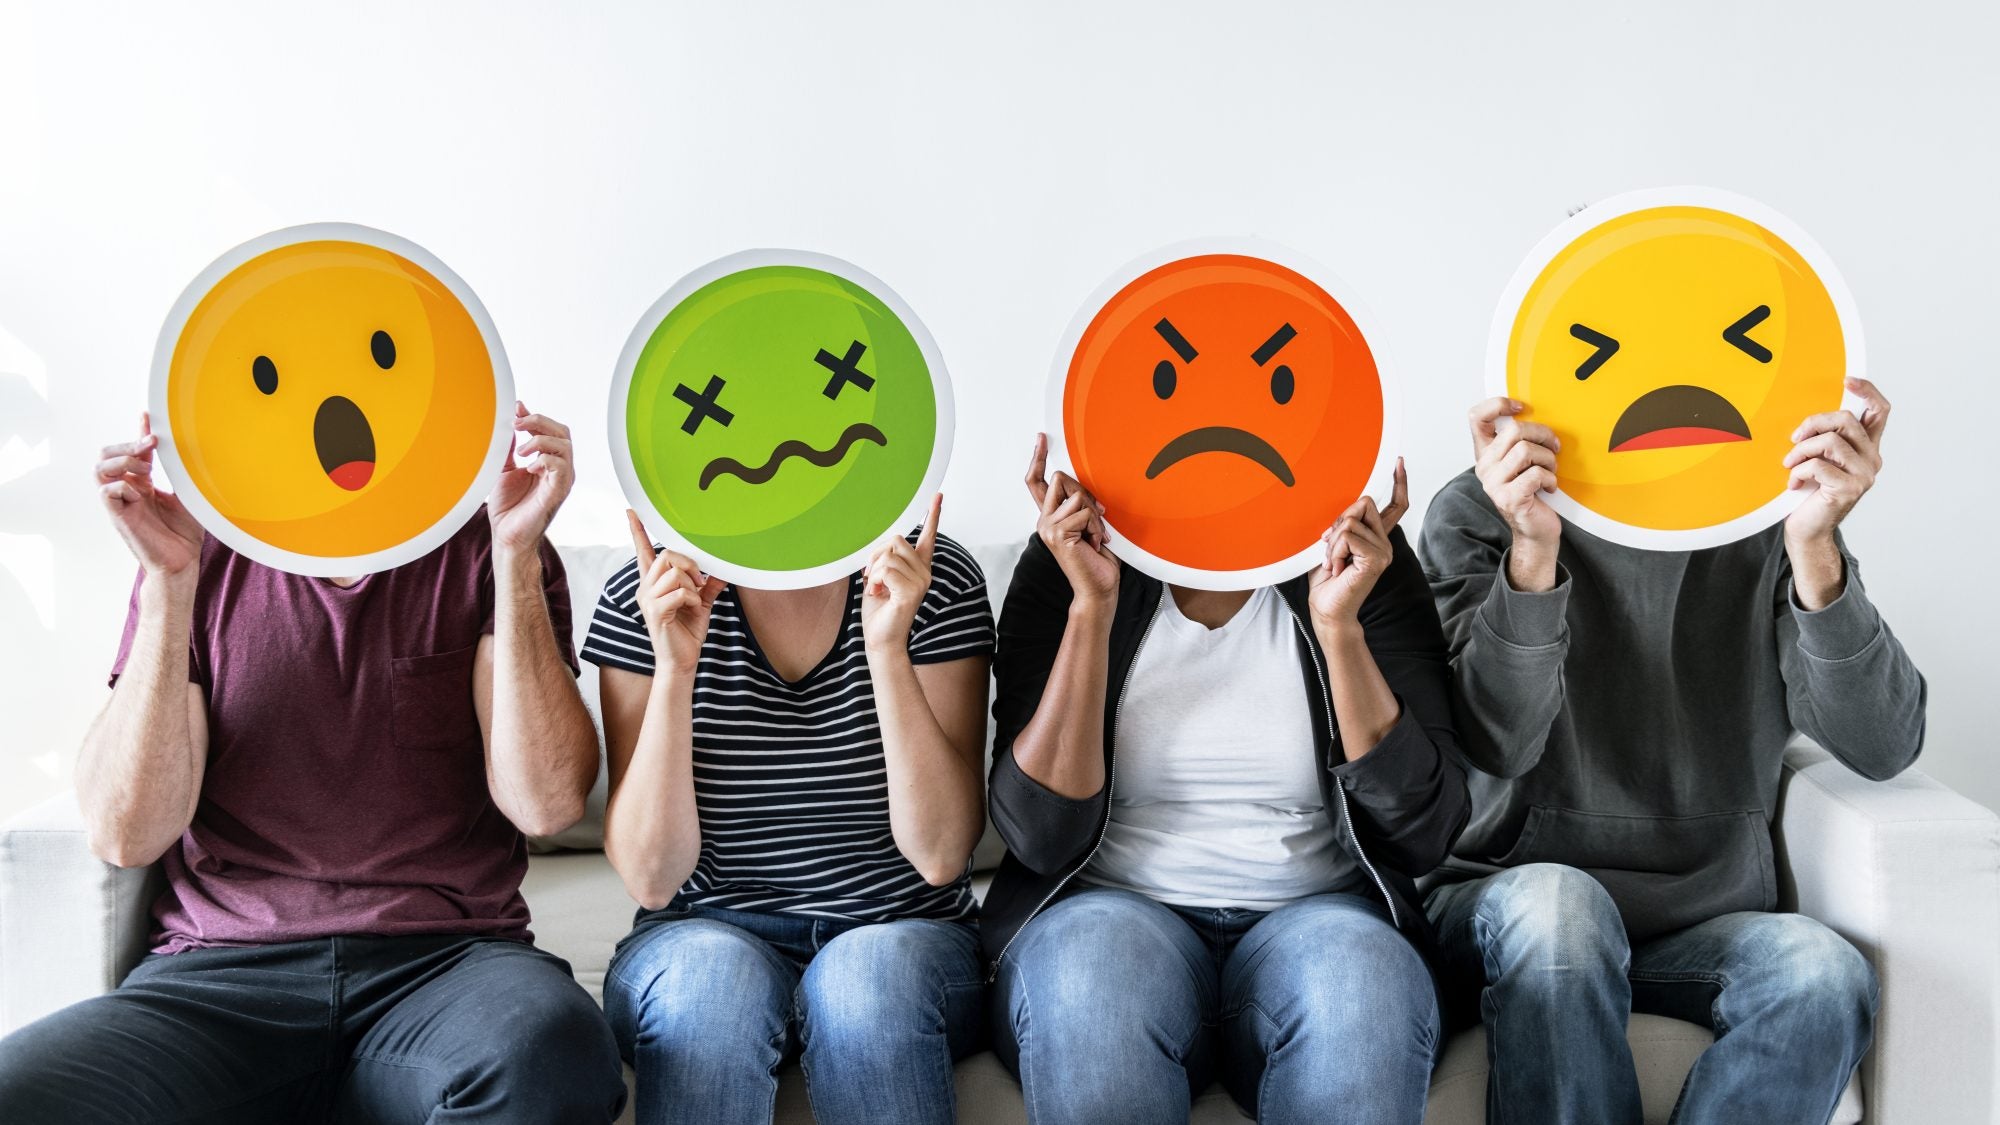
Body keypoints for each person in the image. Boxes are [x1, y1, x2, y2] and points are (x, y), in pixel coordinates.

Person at [0, 405, 625, 1123]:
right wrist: (170, 583)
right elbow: (125, 835)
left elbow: (544, 803)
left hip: (448, 967)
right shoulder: (194, 555)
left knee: (553, 1053)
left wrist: (516, 551)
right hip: (219, 981)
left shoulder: (487, 547)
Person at [1420, 379, 1925, 1125]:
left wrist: (1813, 544)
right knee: (1564, 911)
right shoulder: (1483, 505)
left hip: (1701, 910)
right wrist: (1532, 547)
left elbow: (1883, 744)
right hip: (1510, 899)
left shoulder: (1767, 510)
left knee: (1823, 973)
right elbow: (1499, 737)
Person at [983, 436, 1469, 1125]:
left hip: (1319, 914)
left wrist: (1339, 628)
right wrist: (1090, 608)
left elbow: (1425, 830)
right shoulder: (1072, 554)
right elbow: (1038, 834)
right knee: (1090, 985)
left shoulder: (1362, 555)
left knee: (1361, 989)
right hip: (1110, 909)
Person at [583, 494, 993, 1125]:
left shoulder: (927, 573)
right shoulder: (651, 589)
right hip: (702, 931)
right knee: (708, 992)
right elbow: (652, 876)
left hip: (902, 934)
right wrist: (675, 668)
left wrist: (887, 648)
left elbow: (939, 856)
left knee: (865, 981)